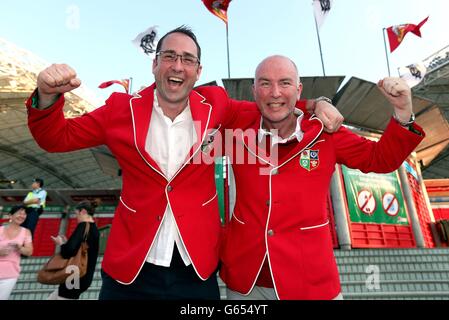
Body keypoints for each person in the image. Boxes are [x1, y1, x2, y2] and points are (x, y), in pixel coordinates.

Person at [26, 26, 342, 299]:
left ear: (198, 71)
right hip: (131, 267)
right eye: (170, 56)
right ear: (155, 63)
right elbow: (56, 138)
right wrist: (46, 96)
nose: (178, 66)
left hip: (196, 270)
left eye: (188, 59)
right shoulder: (120, 110)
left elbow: (271, 104)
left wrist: (315, 102)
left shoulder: (217, 104)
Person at [219, 55, 425, 300]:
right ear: (254, 91)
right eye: (265, 83)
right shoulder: (238, 128)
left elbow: (379, 159)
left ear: (298, 89)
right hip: (245, 283)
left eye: (285, 83)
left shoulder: (325, 131)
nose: (275, 92)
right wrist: (314, 102)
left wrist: (403, 112)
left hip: (311, 283)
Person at [47, 200, 99, 300]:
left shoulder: (83, 226)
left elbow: (68, 252)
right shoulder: (94, 229)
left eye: (77, 214)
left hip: (74, 277)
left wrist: (60, 243)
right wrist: (67, 243)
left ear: (83, 212)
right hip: (83, 276)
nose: (76, 218)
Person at [0, 205, 33, 300]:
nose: (22, 215)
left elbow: (29, 252)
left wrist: (20, 248)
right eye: (19, 213)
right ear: (10, 215)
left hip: (9, 275)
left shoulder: (26, 232)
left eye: (24, 213)